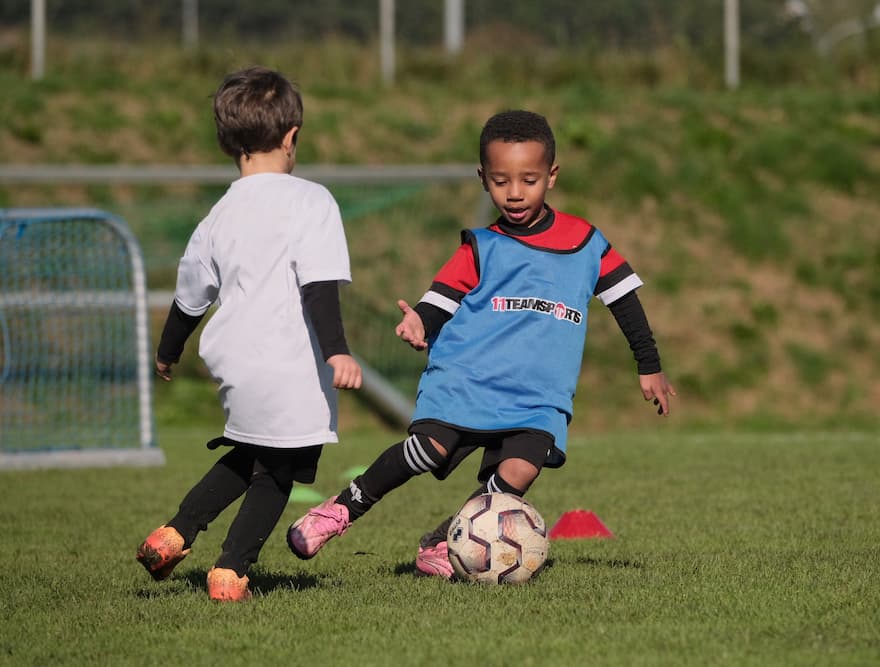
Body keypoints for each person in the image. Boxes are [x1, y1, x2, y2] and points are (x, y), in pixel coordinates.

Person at [286, 109, 674, 578]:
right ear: (482, 179)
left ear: (551, 176)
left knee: (520, 472)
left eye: (528, 179)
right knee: (429, 449)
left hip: (538, 396)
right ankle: (345, 508)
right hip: (468, 378)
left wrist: (647, 365)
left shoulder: (587, 242)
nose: (514, 192)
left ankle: (449, 538)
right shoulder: (482, 245)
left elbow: (626, 304)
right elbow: (442, 296)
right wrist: (421, 324)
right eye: (500, 180)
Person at [135, 66, 362, 602]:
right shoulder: (313, 201)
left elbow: (190, 296)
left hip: (235, 358)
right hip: (290, 362)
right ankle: (232, 570)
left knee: (252, 451)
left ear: (229, 143)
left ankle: (174, 533)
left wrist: (168, 350)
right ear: (291, 137)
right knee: (280, 471)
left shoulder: (218, 214)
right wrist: (337, 351)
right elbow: (319, 286)